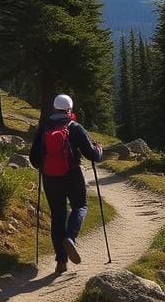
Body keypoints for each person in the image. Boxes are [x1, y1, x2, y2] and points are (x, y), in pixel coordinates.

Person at [29, 93, 103, 274]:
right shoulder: (74, 127)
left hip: (50, 177)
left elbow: (34, 158)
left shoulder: (44, 127)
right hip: (72, 175)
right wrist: (99, 148)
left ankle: (61, 262)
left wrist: (45, 166)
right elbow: (93, 156)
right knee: (80, 205)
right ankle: (71, 237)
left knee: (58, 216)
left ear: (54, 108)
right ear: (70, 110)